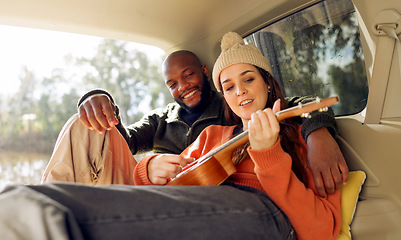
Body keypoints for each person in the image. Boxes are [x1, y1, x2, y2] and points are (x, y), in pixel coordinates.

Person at [0, 31, 340, 240]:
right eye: (229, 86)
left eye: (248, 79)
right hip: (202, 202)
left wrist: (270, 154)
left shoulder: (304, 133)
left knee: (25, 207)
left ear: (266, 80)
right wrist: (145, 168)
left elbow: (321, 231)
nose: (240, 93)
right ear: (223, 94)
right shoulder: (213, 135)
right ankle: (30, 206)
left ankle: (25, 213)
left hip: (265, 211)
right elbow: (169, 187)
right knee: (82, 130)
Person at [42, 48, 347, 197]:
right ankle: (48, 208)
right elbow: (122, 140)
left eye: (188, 75)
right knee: (84, 124)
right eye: (172, 83)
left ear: (203, 71)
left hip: (196, 198)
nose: (182, 86)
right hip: (156, 188)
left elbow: (295, 104)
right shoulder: (160, 120)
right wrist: (98, 98)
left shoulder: (231, 105)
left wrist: (318, 129)